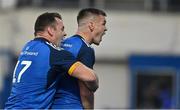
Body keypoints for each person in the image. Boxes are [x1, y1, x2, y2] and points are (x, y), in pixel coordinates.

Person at [5, 12, 98, 109]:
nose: (65, 34)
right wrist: (95, 85)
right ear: (50, 30)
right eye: (61, 29)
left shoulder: (28, 47)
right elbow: (90, 77)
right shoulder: (54, 53)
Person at [51, 8, 107, 109]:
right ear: (91, 25)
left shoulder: (60, 44)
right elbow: (85, 92)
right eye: (103, 24)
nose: (105, 29)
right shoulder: (85, 49)